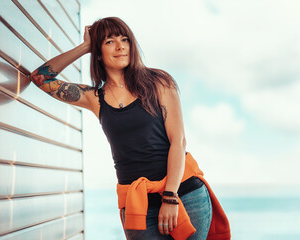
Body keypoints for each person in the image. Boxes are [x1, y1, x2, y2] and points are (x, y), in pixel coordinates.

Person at [30, 17, 230, 240]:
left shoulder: (159, 82)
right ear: (98, 51)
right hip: (137, 204)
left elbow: (179, 141)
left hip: (183, 194)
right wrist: (86, 46)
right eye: (109, 41)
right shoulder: (95, 98)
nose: (120, 46)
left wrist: (170, 197)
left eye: (125, 39)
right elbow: (40, 77)